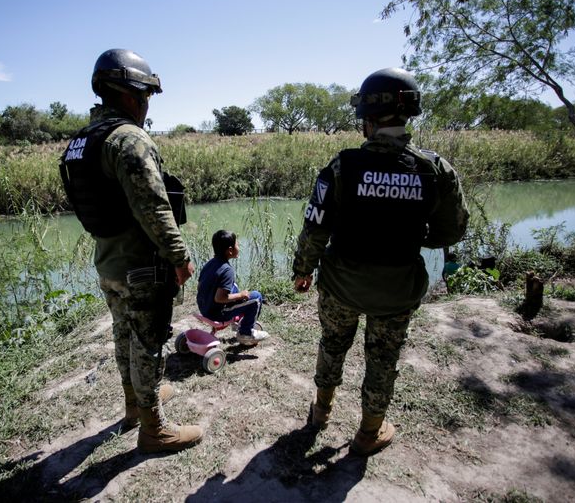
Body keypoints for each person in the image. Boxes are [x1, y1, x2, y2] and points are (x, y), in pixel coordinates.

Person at [292, 67, 469, 456]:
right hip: (397, 290)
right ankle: (369, 432)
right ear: (408, 116)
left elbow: (315, 228)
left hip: (340, 285)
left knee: (332, 344)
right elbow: (453, 230)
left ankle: (321, 412)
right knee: (383, 358)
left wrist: (303, 271)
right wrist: (416, 236)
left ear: (367, 120)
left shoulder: (341, 167)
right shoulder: (435, 169)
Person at [59, 49, 202, 454]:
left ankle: (133, 406)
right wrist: (179, 256)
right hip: (142, 266)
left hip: (109, 263)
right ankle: (153, 428)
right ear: (130, 94)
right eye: (146, 96)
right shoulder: (127, 139)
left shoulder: (83, 140)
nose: (147, 105)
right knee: (149, 342)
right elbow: (153, 206)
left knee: (124, 337)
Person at [196, 230, 269, 346]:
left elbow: (200, 286)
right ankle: (245, 333)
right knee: (256, 297)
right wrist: (240, 295)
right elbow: (219, 298)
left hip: (204, 308)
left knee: (233, 286)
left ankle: (237, 321)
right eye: (237, 244)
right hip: (217, 313)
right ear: (230, 250)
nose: (239, 247)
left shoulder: (209, 264)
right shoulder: (227, 270)